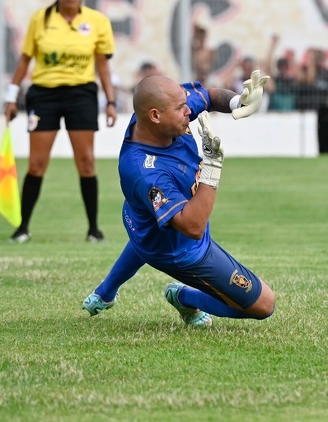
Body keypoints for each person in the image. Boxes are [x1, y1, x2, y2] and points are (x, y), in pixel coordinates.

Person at [81, 71, 276, 326]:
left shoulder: (159, 113)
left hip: (144, 220)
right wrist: (212, 167)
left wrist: (236, 102)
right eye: (181, 108)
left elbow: (207, 96)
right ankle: (184, 297)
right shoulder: (146, 171)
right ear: (155, 116)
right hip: (181, 249)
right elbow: (193, 227)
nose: (189, 111)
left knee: (147, 234)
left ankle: (105, 293)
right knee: (264, 304)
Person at [3, 0, 118, 243]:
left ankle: (93, 229)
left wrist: (111, 101)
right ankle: (22, 228)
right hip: (44, 95)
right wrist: (11, 96)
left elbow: (102, 66)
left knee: (87, 162)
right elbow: (24, 60)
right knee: (37, 163)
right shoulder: (40, 20)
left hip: (82, 95)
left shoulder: (98, 21)